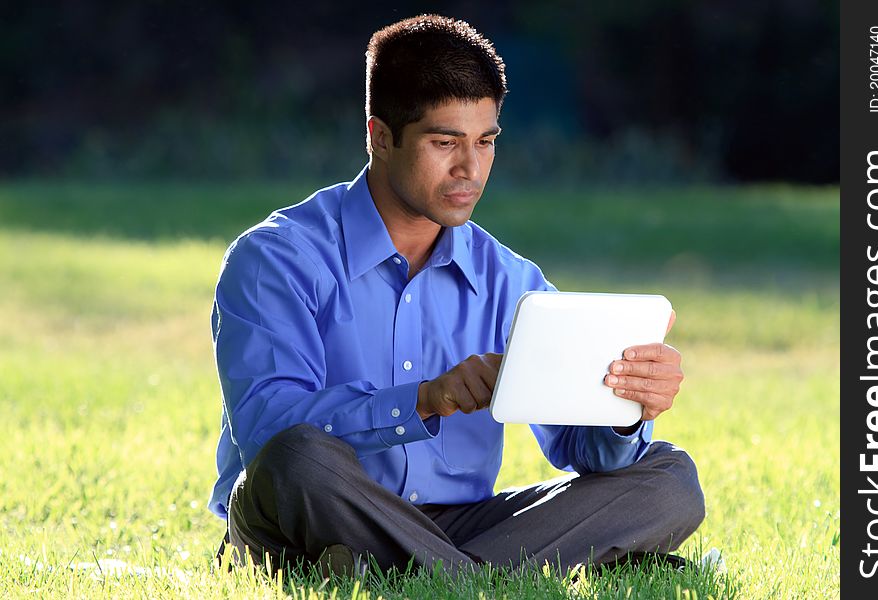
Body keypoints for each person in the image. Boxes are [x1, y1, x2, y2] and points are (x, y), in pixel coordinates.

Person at [208, 14, 704, 576]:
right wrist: (424, 400)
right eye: (445, 142)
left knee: (668, 478)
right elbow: (267, 432)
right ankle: (476, 576)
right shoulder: (274, 259)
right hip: (311, 507)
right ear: (380, 137)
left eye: (486, 141)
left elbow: (581, 448)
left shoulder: (510, 280)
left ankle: (394, 572)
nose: (470, 168)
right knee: (296, 455)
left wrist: (622, 408)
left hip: (459, 521)